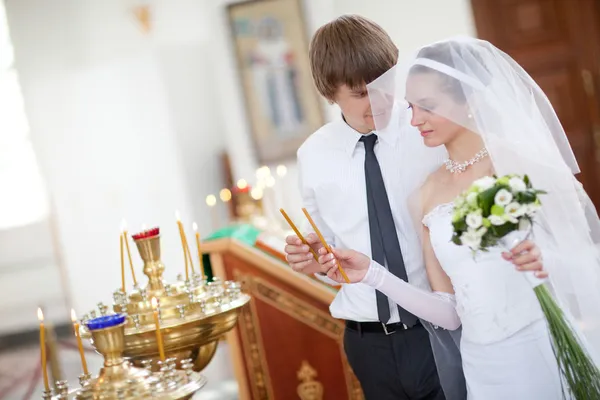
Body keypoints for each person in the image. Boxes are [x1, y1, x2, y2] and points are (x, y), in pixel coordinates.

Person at [317, 36, 600, 399]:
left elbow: (588, 263)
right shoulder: (426, 194)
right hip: (482, 367)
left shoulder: (519, 165)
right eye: (412, 108)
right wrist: (372, 274)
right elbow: (450, 314)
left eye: (428, 106)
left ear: (471, 102)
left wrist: (546, 260)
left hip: (541, 349)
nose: (415, 119)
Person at [284, 15, 466, 399]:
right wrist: (317, 262)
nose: (380, 100)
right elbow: (330, 255)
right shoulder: (313, 156)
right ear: (330, 92)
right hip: (368, 342)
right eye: (361, 93)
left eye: (385, 85)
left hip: (442, 327)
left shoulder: (429, 132)